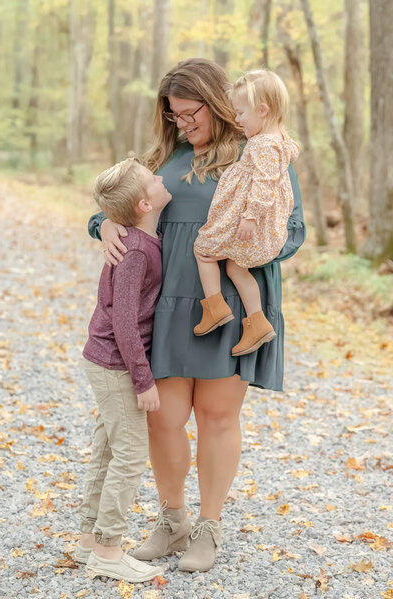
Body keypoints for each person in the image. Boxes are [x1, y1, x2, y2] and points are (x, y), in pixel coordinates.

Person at [88, 58, 305, 573]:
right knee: (162, 419)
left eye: (191, 113)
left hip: (227, 303)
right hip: (164, 306)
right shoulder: (164, 157)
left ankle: (209, 526)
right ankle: (172, 519)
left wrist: (249, 250)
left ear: (219, 103)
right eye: (174, 115)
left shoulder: (260, 154)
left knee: (216, 416)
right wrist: (103, 226)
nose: (182, 123)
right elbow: (120, 201)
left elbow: (291, 230)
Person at [75, 158, 171, 582]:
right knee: (129, 455)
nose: (161, 175)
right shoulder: (134, 251)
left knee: (108, 448)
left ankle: (89, 542)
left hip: (107, 360)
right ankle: (110, 548)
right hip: (116, 364)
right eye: (154, 177)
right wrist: (143, 379)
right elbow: (124, 322)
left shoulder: (141, 239)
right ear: (145, 203)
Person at [193, 69, 299, 359]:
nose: (237, 120)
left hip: (250, 220)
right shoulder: (278, 140)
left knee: (203, 250)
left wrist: (250, 216)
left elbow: (264, 183)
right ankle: (257, 323)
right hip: (256, 220)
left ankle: (214, 307)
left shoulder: (264, 144)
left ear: (262, 111)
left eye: (241, 113)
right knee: (236, 268)